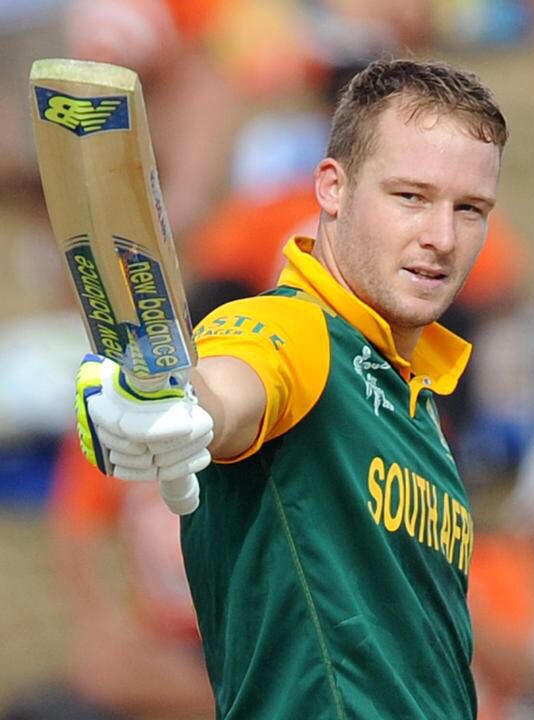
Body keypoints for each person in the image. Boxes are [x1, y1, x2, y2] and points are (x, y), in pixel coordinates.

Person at [75, 58, 507, 719]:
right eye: (411, 196)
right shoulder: (298, 330)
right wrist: (176, 403)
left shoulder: (418, 401)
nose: (441, 238)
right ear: (333, 188)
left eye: (469, 208)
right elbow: (231, 385)